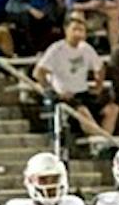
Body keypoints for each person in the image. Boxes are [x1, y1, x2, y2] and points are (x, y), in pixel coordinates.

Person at [33, 14, 108, 145]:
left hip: (83, 93)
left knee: (112, 109)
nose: (78, 33)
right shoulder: (56, 49)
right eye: (75, 29)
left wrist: (98, 86)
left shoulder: (86, 48)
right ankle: (102, 142)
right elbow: (38, 72)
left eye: (81, 30)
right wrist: (51, 90)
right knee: (82, 111)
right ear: (66, 30)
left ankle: (100, 142)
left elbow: (100, 69)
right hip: (65, 96)